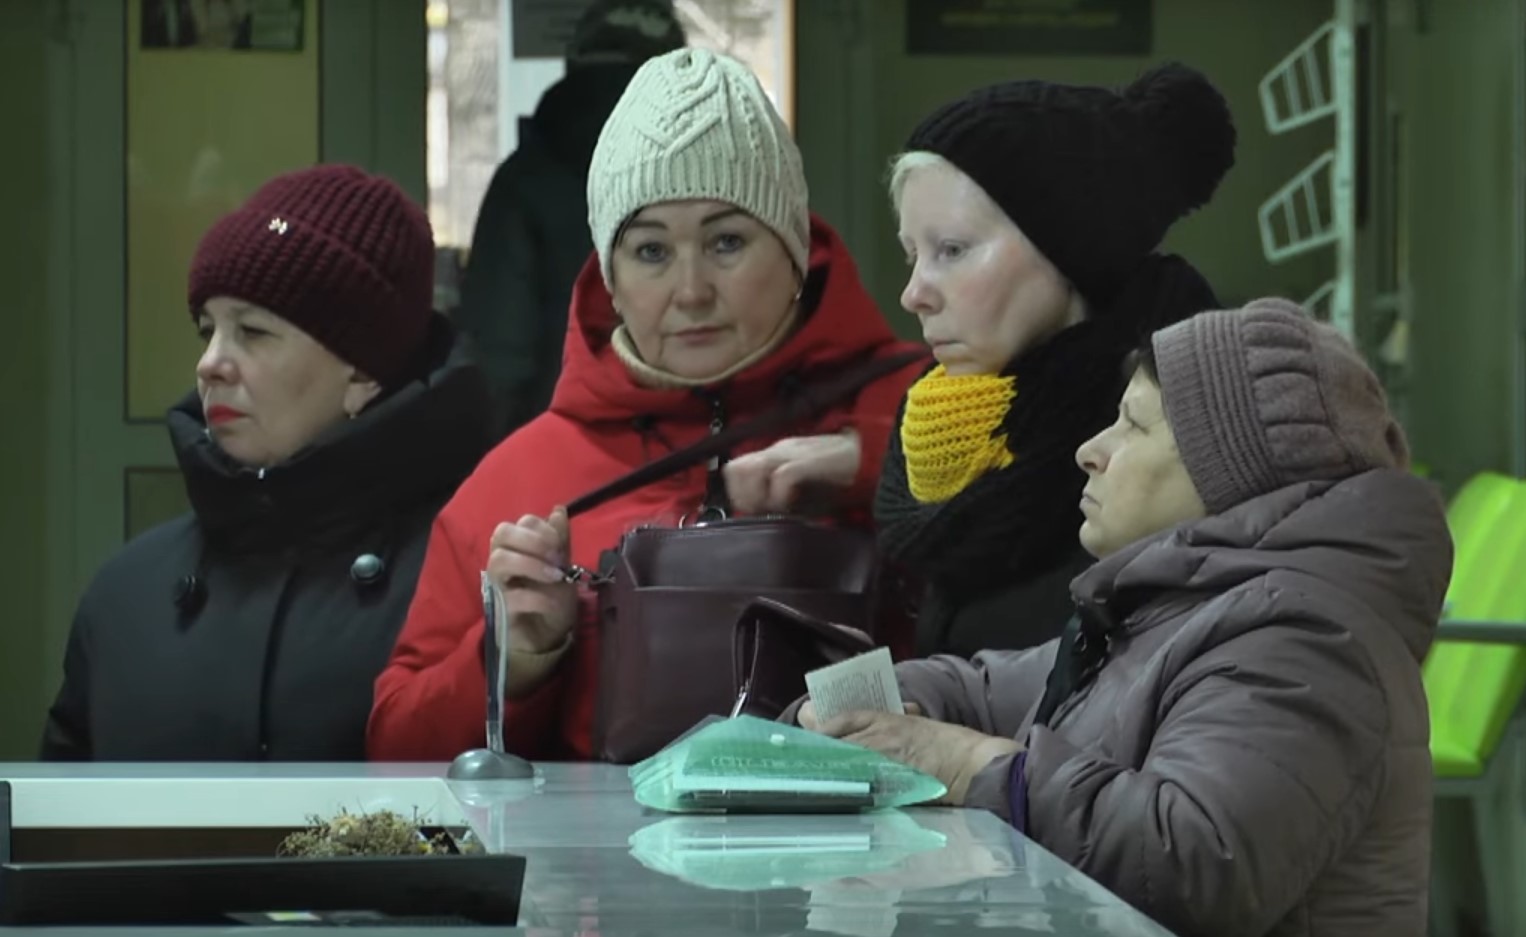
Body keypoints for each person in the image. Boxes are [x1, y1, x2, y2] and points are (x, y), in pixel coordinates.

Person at [796, 299, 1450, 937]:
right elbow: (988, 690)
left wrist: (974, 767)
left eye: (1133, 426)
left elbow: (1193, 860)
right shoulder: (1172, 610)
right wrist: (861, 706)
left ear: (1228, 473)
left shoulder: (1301, 639)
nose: (1091, 449)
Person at [369, 48, 928, 762]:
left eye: (727, 242)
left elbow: (1034, 610)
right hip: (596, 840)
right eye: (651, 252)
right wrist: (513, 657)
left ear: (795, 253)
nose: (691, 291)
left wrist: (880, 467)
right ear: (610, 275)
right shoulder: (517, 482)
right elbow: (395, 746)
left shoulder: (926, 411)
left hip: (877, 836)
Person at [40, 165, 495, 761]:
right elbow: (58, 811)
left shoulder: (462, 582)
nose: (210, 364)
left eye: (252, 332)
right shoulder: (124, 595)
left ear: (362, 372)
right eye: (208, 330)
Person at [875, 63, 1237, 658]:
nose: (914, 294)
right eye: (913, 255)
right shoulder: (951, 433)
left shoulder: (1185, 445)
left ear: (1071, 248)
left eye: (952, 249)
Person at [454, 0, 687, 438]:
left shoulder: (524, 179)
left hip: (560, 444)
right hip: (688, 441)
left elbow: (497, 358)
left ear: (574, 65)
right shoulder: (707, 175)